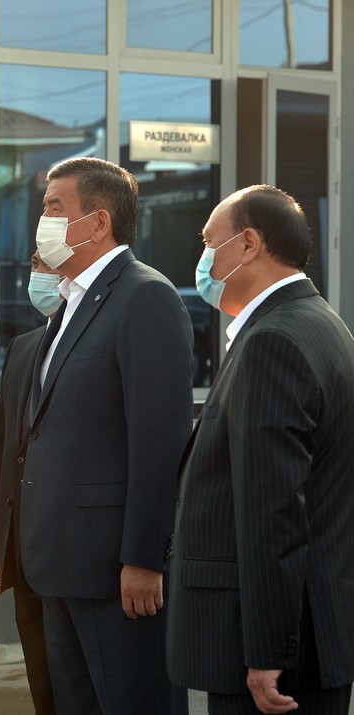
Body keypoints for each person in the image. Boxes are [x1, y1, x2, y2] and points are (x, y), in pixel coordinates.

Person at [167, 185, 354, 714]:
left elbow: (273, 509)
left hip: (277, 658)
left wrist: (268, 651)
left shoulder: (273, 340)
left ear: (248, 244)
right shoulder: (320, 324)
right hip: (312, 636)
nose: (203, 258)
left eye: (210, 243)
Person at [20, 157, 195, 713]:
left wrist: (145, 558)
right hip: (58, 564)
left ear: (97, 223)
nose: (43, 220)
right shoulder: (69, 303)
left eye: (54, 208)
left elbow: (160, 441)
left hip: (114, 574)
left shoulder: (145, 296)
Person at [0, 251, 62, 715]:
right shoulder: (24, 346)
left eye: (48, 265)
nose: (37, 276)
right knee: (43, 684)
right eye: (34, 265)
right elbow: (2, 447)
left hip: (72, 548)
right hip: (21, 551)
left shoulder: (101, 340)